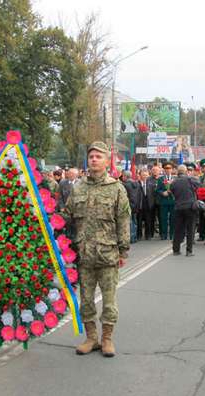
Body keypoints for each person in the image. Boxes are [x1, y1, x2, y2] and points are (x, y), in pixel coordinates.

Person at [64, 141, 130, 358]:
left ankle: (107, 338)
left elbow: (123, 221)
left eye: (98, 157)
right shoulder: (78, 187)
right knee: (86, 299)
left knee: (110, 301)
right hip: (84, 255)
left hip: (108, 254)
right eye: (91, 156)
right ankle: (91, 337)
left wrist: (123, 251)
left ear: (106, 161)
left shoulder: (116, 188)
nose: (94, 159)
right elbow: (67, 215)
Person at [170, 164, 199, 256]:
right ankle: (189, 251)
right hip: (190, 207)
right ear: (186, 171)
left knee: (178, 229)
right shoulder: (190, 180)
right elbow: (199, 185)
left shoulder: (174, 182)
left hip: (178, 208)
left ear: (177, 172)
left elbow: (172, 193)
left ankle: (176, 250)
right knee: (190, 229)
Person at [156, 162, 176, 240]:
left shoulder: (175, 178)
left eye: (169, 168)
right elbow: (158, 190)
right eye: (166, 168)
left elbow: (178, 189)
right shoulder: (161, 179)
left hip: (172, 201)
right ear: (164, 170)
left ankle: (172, 234)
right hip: (163, 201)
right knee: (163, 218)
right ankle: (164, 234)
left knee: (173, 218)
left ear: (172, 169)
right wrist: (162, 193)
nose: (168, 170)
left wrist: (171, 191)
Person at [122, 170, 143, 244]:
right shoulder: (137, 184)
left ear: (125, 176)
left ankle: (130, 238)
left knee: (129, 222)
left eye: (123, 176)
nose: (122, 177)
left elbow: (123, 197)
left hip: (128, 205)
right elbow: (140, 195)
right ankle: (134, 237)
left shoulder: (124, 185)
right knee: (135, 222)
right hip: (136, 205)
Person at [140, 169, 156, 240]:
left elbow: (153, 195)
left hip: (149, 205)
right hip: (140, 205)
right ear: (140, 175)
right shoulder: (137, 183)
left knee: (148, 220)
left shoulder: (151, 185)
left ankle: (148, 235)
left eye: (146, 175)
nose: (144, 176)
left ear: (148, 175)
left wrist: (152, 204)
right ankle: (139, 235)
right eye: (143, 175)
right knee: (139, 220)